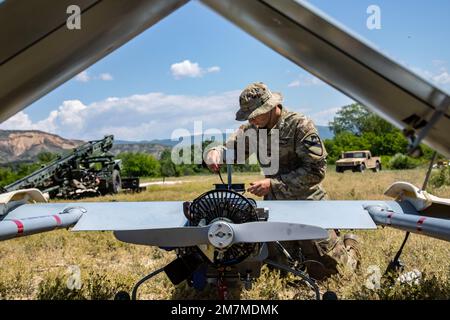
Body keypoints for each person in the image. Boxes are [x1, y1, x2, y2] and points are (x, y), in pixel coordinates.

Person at [205, 82, 360, 280]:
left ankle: (351, 245)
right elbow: (233, 151)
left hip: (308, 203)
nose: (252, 120)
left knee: (333, 272)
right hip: (275, 206)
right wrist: (215, 152)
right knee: (283, 271)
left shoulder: (300, 125)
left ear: (271, 107)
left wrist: (272, 184)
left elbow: (316, 171)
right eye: (249, 117)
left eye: (256, 114)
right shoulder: (253, 128)